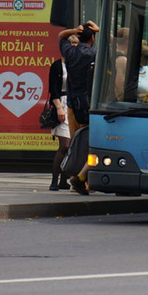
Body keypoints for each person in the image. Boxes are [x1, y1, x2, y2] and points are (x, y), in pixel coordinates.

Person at [58, 20, 99, 195]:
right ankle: (83, 179)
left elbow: (61, 36)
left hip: (72, 105)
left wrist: (75, 30)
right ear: (93, 38)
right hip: (89, 105)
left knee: (76, 143)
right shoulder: (94, 54)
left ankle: (76, 176)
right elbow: (114, 46)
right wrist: (99, 29)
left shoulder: (70, 52)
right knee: (92, 144)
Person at [47, 35, 79, 190]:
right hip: (62, 104)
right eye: (70, 43)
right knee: (64, 145)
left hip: (75, 105)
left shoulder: (79, 64)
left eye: (76, 44)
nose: (73, 46)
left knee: (72, 145)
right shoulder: (57, 66)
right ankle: (54, 180)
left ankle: (63, 180)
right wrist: (59, 108)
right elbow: (53, 90)